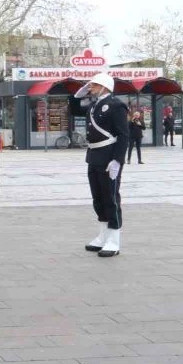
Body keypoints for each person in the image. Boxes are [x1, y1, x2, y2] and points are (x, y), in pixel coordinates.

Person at [70, 72, 129, 258]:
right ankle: (103, 236)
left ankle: (114, 239)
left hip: (109, 156)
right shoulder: (94, 105)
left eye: (94, 85)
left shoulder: (116, 105)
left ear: (105, 87)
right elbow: (74, 110)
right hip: (94, 156)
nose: (90, 87)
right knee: (98, 198)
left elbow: (123, 135)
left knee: (110, 198)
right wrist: (76, 96)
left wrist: (117, 160)